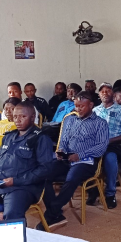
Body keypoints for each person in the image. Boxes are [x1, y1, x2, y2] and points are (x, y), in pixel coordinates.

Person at [40, 91, 109, 230]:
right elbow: (63, 140)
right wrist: (60, 151)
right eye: (76, 106)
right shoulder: (69, 120)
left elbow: (101, 147)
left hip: (86, 162)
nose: (77, 109)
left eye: (81, 106)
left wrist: (80, 155)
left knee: (71, 179)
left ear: (91, 105)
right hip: (67, 159)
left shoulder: (100, 123)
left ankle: (51, 213)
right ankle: (56, 212)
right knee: (43, 175)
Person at [88, 83, 121, 207]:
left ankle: (110, 194)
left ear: (113, 94)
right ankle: (93, 189)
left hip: (114, 144)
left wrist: (110, 140)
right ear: (99, 94)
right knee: (85, 158)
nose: (104, 93)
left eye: (108, 90)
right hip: (96, 145)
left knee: (110, 158)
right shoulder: (94, 111)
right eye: (102, 91)